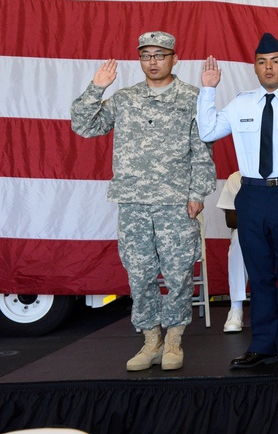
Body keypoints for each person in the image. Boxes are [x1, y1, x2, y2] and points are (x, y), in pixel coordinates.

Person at [70, 31, 215, 372]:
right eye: (146, 55)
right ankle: (151, 340)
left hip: (175, 202)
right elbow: (83, 125)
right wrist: (97, 87)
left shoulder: (191, 98)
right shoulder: (124, 99)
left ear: (174, 59)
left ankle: (174, 340)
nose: (153, 61)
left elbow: (202, 149)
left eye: (160, 55)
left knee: (178, 273)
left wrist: (197, 194)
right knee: (139, 274)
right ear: (140, 60)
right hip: (134, 202)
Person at [198, 33, 278, 369]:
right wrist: (208, 89)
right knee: (259, 273)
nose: (269, 67)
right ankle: (263, 344)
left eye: (276, 61)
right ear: (254, 67)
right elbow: (207, 131)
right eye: (262, 62)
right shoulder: (241, 103)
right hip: (252, 195)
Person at [215, 171, 278, 333]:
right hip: (252, 228)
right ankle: (236, 308)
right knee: (238, 239)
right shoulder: (236, 177)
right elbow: (230, 220)